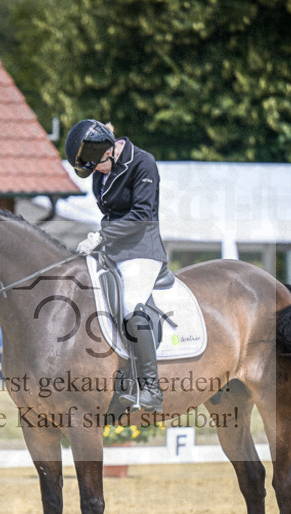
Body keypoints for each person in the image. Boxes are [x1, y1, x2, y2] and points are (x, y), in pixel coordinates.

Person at [65, 119, 166, 412]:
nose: (96, 171)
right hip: (112, 250)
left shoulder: (143, 163)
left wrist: (102, 235)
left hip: (142, 250)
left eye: (97, 164)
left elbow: (141, 215)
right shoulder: (100, 169)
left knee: (131, 307)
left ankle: (151, 389)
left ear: (109, 149)